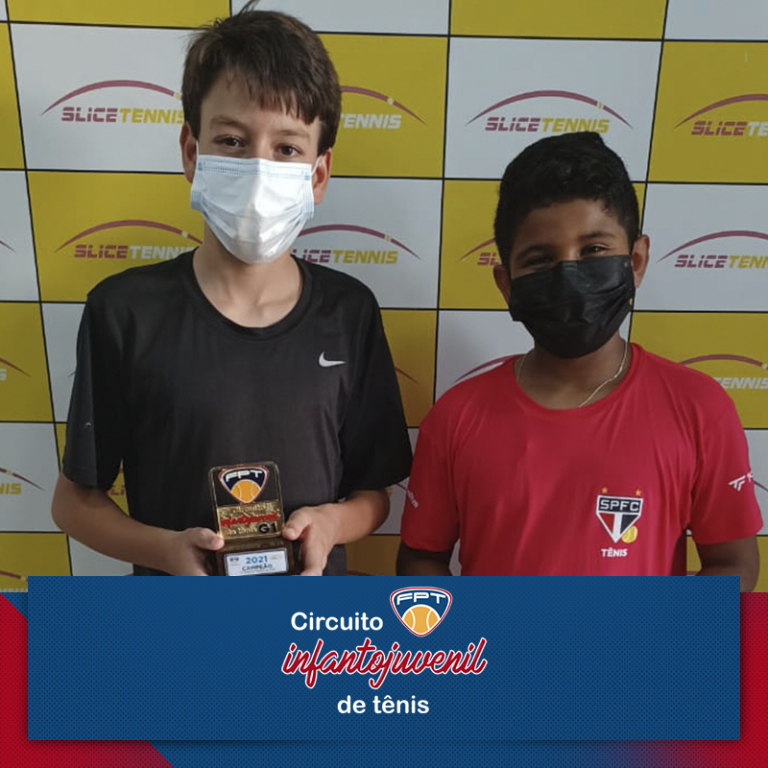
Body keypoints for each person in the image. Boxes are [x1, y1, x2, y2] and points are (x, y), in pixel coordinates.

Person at [52, 6, 412, 576]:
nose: (258, 168)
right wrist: (165, 551)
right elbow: (73, 503)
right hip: (177, 621)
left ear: (318, 175)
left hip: (307, 623)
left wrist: (332, 524)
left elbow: (374, 495)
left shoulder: (350, 311)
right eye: (232, 141)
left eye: (287, 149)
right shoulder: (124, 311)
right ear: (192, 153)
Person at [397, 132, 761, 589]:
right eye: (540, 259)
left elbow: (734, 564)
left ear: (636, 260)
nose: (569, 274)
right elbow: (420, 559)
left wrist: (658, 629)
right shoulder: (456, 417)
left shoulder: (699, 409)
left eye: (593, 251)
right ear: (507, 285)